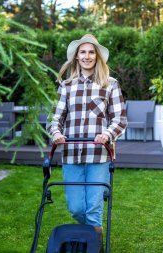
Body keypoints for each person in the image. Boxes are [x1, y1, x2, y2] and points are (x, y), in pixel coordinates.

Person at [46, 34, 127, 249]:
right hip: (71, 154)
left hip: (98, 154)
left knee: (93, 207)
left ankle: (93, 246)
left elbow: (120, 119)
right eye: (83, 52)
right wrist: (56, 133)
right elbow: (55, 118)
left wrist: (107, 135)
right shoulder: (66, 85)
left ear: (97, 56)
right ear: (76, 57)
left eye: (91, 52)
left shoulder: (110, 84)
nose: (87, 56)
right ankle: (93, 235)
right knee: (76, 208)